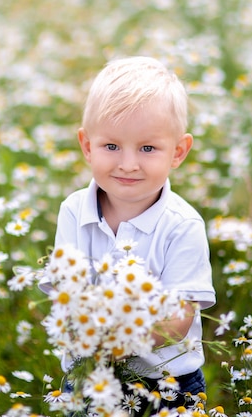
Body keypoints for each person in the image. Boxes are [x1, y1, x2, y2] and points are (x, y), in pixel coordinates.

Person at [45, 56, 216, 415]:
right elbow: (66, 294)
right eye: (111, 146)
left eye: (147, 148)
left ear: (178, 152)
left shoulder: (182, 224)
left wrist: (116, 341)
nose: (127, 163)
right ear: (87, 146)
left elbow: (179, 317)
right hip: (88, 374)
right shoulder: (75, 211)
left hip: (168, 385)